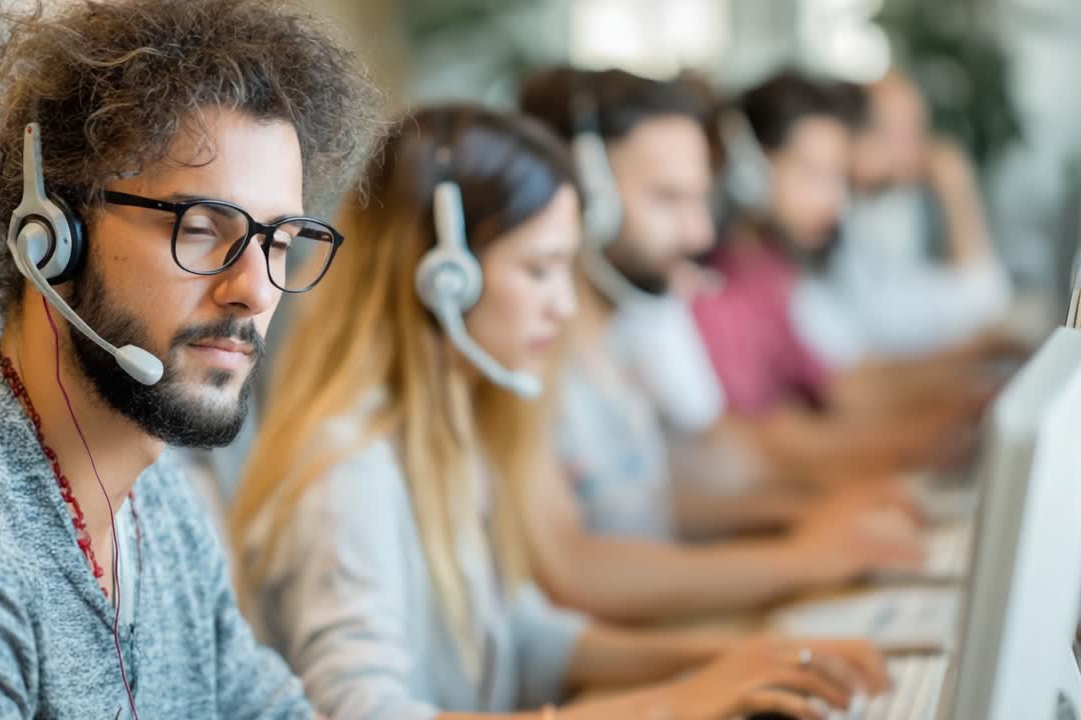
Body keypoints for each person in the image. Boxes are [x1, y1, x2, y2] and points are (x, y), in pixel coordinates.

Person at [230, 105, 891, 720]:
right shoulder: (350, 469)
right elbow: (362, 712)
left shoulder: (450, 430)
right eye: (540, 270)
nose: (565, 305)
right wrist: (677, 702)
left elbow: (524, 637)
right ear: (442, 281)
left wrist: (731, 663)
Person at [0, 1, 379, 717]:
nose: (253, 290)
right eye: (202, 228)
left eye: (278, 242)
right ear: (52, 236)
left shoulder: (163, 504)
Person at [518, 67, 925, 625]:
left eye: (700, 199)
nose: (700, 235)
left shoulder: (614, 341)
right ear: (588, 200)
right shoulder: (531, 361)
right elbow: (574, 567)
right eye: (667, 199)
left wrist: (798, 519)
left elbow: (644, 513)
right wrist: (795, 556)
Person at [697, 70, 994, 485]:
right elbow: (774, 440)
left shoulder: (769, 274)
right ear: (748, 176)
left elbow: (838, 387)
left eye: (838, 177)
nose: (837, 204)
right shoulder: (714, 293)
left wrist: (962, 408)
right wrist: (918, 442)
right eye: (814, 176)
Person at [834, 70, 1012, 357]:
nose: (924, 145)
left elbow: (956, 296)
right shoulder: (832, 225)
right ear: (860, 138)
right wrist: (957, 186)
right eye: (909, 131)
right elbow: (983, 302)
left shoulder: (887, 209)